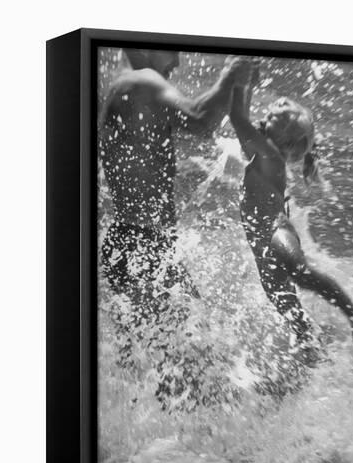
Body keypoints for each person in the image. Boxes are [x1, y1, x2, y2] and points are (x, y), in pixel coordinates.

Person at [99, 50, 250, 315]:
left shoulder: (120, 84)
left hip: (130, 241)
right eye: (173, 52)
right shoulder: (143, 81)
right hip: (143, 247)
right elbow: (201, 120)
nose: (177, 62)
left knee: (153, 348)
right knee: (189, 343)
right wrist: (230, 75)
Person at [229, 73, 353, 345]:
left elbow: (237, 118)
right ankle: (311, 346)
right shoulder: (265, 154)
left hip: (275, 231)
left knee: (299, 271)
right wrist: (248, 84)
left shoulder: (268, 154)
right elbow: (243, 119)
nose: (259, 123)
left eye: (266, 121)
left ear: (281, 141)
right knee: (286, 306)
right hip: (262, 245)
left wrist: (237, 79)